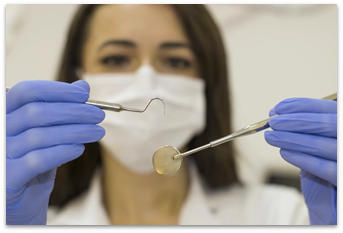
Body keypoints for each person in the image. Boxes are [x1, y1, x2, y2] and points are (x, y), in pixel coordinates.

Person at [6, 4, 337, 225]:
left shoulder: (282, 216)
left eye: (176, 61)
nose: (147, 81)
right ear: (78, 75)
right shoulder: (40, 219)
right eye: (117, 59)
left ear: (207, 85)